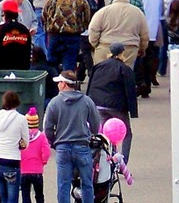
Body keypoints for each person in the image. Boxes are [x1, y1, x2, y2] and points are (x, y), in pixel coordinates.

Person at [41, 71, 100, 203]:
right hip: (83, 146)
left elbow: (48, 128)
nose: (57, 85)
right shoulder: (86, 101)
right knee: (87, 184)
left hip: (62, 147)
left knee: (63, 184)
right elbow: (96, 123)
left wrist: (53, 142)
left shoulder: (54, 103)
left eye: (59, 82)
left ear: (64, 84)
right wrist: (90, 135)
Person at [86, 44, 137, 162]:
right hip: (116, 106)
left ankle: (104, 160)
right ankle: (122, 161)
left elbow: (91, 85)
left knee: (103, 132)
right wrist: (132, 111)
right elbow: (130, 91)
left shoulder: (98, 66)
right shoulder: (124, 68)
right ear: (122, 53)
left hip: (98, 103)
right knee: (126, 133)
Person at [0, 91, 28, 203]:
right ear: (17, 102)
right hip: (12, 160)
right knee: (12, 198)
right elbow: (25, 142)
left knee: (2, 197)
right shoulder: (21, 119)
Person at [0, 2, 33, 72]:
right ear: (17, 14)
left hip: (2, 70)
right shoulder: (24, 30)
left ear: (5, 14)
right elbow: (28, 51)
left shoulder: (0, 30)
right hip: (22, 70)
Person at [17, 107, 50, 203]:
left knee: (25, 195)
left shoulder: (22, 137)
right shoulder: (42, 136)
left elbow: (18, 150)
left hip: (23, 170)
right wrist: (43, 161)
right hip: (37, 171)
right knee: (39, 195)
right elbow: (46, 151)